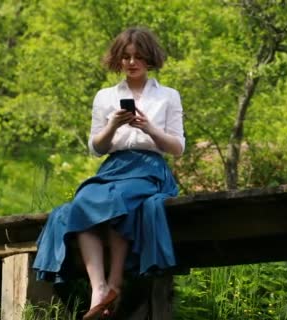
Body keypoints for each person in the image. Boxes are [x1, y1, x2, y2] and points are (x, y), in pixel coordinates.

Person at [32, 26, 185, 320]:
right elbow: (97, 147)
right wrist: (114, 125)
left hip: (149, 168)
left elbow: (177, 147)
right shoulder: (105, 96)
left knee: (122, 200)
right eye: (126, 57)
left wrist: (149, 128)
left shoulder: (168, 96)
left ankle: (116, 282)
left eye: (138, 56)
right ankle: (99, 288)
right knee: (82, 202)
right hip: (113, 167)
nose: (131, 62)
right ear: (118, 59)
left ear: (150, 58)